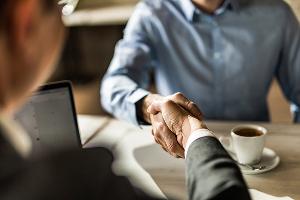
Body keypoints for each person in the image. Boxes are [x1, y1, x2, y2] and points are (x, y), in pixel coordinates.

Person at [0, 0, 252, 199]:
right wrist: (194, 132)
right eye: (61, 6)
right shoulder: (73, 185)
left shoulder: (276, 16)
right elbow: (114, 84)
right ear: (27, 20)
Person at [100, 0, 300, 158]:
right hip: (181, 155)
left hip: (260, 154)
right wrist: (151, 106)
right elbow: (114, 84)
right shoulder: (151, 13)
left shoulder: (278, 14)